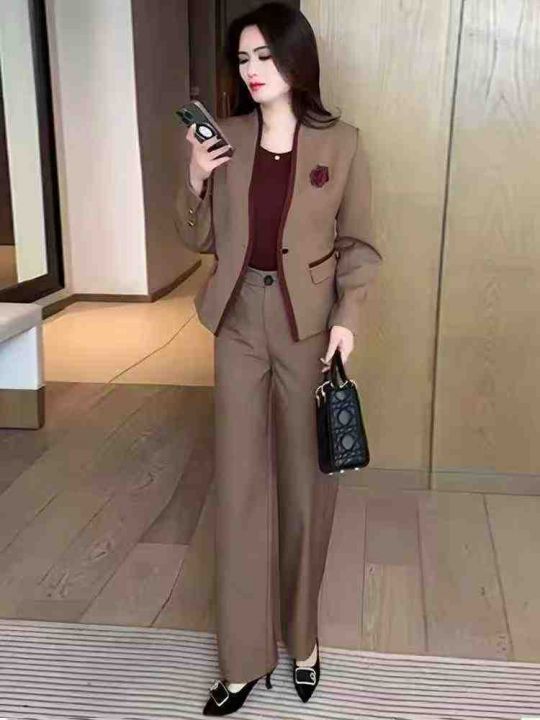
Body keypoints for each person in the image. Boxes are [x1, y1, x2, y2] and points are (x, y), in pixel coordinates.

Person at [176, 2, 383, 715]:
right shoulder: (226, 137)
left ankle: (304, 639)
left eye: (264, 56)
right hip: (238, 321)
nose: (252, 71)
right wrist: (196, 177)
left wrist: (348, 321)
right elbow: (197, 237)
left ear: (296, 58)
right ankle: (241, 660)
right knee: (238, 487)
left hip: (307, 327)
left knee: (305, 487)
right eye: (243, 59)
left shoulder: (342, 144)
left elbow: (359, 247)